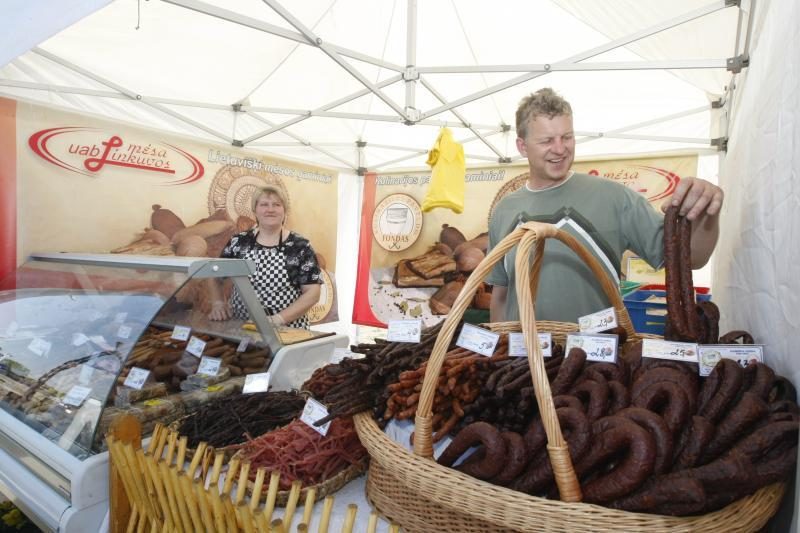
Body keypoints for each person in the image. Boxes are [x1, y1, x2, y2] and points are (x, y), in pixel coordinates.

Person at [488, 88, 723, 323]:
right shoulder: (504, 210)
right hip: (522, 355)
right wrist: (499, 350)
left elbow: (692, 259)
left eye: (567, 137)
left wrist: (708, 214)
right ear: (522, 146)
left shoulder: (614, 198)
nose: (560, 149)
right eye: (547, 140)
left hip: (594, 354)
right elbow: (500, 294)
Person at [208, 185, 322, 329]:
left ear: (284, 210)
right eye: (264, 204)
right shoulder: (239, 242)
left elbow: (312, 292)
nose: (270, 209)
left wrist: (279, 319)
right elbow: (214, 274)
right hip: (243, 328)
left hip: (289, 329)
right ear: (255, 210)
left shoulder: (300, 246)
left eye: (276, 205)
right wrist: (218, 303)